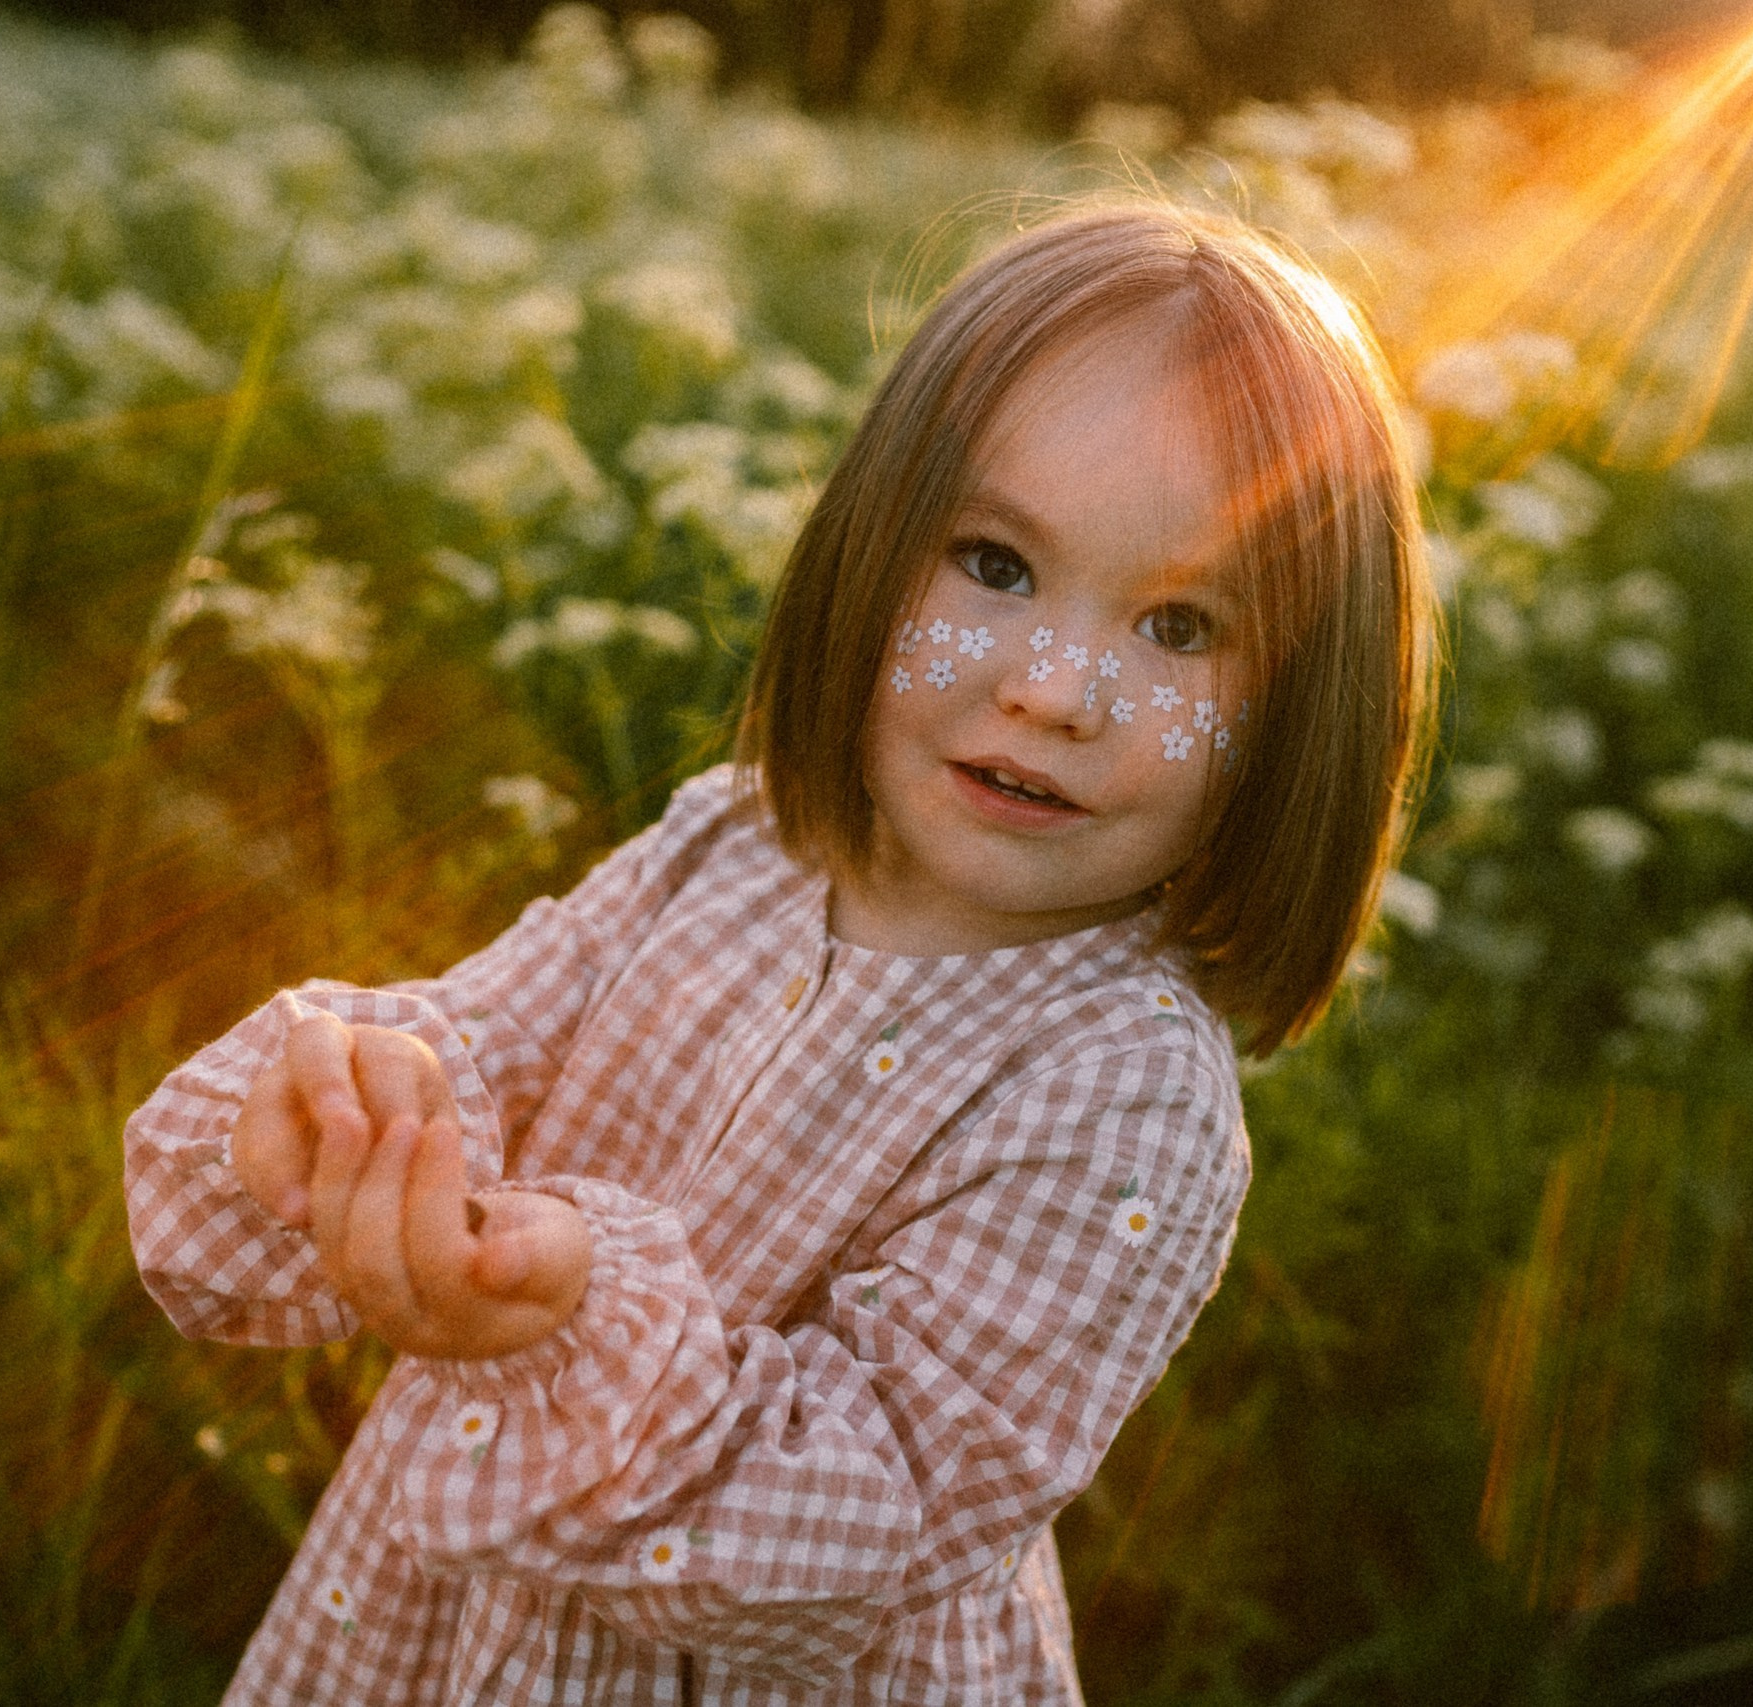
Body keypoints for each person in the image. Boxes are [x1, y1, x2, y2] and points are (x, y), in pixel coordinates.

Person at [125, 198, 1435, 1705]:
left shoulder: (1124, 1093)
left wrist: (572, 1322)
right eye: (996, 566)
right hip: (442, 1639)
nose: (1057, 690)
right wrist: (365, 1116)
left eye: (1183, 628)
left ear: (1302, 714)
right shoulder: (729, 845)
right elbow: (483, 1037)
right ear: (871, 551)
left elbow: (869, 1509)